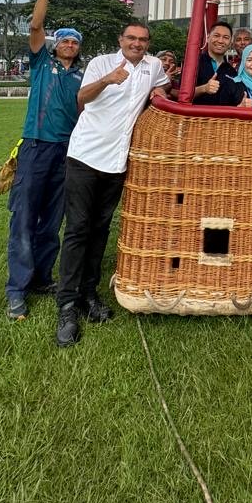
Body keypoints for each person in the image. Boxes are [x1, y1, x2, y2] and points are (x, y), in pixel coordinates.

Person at [55, 21, 169, 347]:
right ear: (121, 40)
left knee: (100, 229)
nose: (137, 43)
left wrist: (160, 92)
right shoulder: (101, 63)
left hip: (117, 162)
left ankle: (88, 295)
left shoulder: (153, 66)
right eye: (131, 38)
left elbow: (162, 87)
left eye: (143, 39)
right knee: (77, 229)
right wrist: (107, 80)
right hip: (84, 157)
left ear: (148, 43)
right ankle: (66, 305)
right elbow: (81, 99)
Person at [5, 0, 83, 321]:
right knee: (24, 219)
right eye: (65, 39)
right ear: (56, 45)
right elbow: (35, 27)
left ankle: (41, 278)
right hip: (35, 146)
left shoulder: (82, 77)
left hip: (66, 153)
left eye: (75, 41)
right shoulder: (41, 65)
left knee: (52, 220)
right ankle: (16, 290)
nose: (69, 44)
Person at [193, 21, 236, 105]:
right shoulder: (194, 63)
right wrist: (204, 88)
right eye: (216, 36)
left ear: (230, 43)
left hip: (223, 117)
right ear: (208, 38)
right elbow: (180, 94)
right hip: (197, 117)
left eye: (226, 37)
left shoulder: (232, 71)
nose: (220, 41)